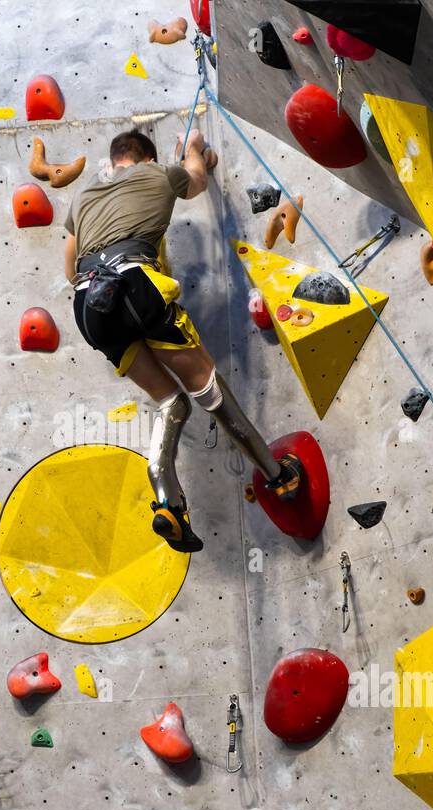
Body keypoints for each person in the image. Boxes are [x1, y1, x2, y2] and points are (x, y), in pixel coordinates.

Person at [63, 127, 301, 553]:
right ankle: (279, 475)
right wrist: (192, 147)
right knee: (211, 393)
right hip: (135, 284)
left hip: (88, 305)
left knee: (171, 403)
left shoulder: (83, 199)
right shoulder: (158, 175)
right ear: (148, 158)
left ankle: (167, 502)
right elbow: (197, 178)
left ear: (113, 160)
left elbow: (70, 267)